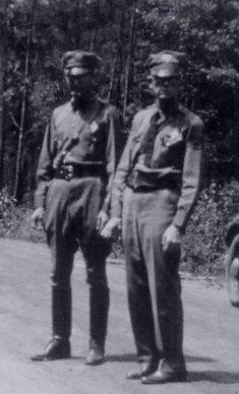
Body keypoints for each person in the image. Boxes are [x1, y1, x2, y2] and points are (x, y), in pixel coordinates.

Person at [101, 50, 203, 384]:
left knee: (164, 287)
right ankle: (147, 357)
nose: (165, 87)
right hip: (133, 202)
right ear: (150, 82)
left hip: (162, 202)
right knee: (136, 286)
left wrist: (178, 224)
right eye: (159, 81)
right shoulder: (141, 118)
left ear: (180, 83)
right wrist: (115, 211)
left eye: (171, 80)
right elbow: (122, 168)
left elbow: (191, 180)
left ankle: (173, 363)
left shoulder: (191, 124)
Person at [30, 51, 120, 366]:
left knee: (95, 273)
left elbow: (116, 167)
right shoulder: (57, 115)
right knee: (58, 273)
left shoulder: (108, 115)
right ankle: (60, 340)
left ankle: (97, 343)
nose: (76, 81)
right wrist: (40, 204)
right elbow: (44, 164)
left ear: (94, 77)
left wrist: (110, 208)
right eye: (71, 76)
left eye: (82, 76)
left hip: (93, 190)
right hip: (59, 193)